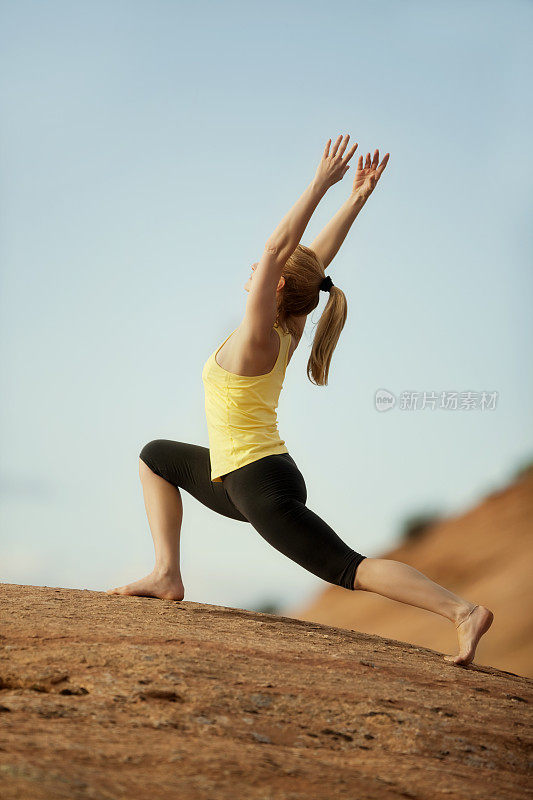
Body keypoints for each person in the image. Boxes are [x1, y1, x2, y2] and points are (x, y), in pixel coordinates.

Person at [107, 134, 493, 666]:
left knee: (347, 567)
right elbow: (315, 263)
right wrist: (355, 199)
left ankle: (461, 612)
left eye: (264, 270)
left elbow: (276, 251)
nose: (253, 268)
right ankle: (167, 572)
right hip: (242, 475)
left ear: (276, 282)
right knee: (156, 456)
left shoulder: (259, 337)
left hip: (259, 484)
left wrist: (320, 185)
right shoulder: (292, 318)